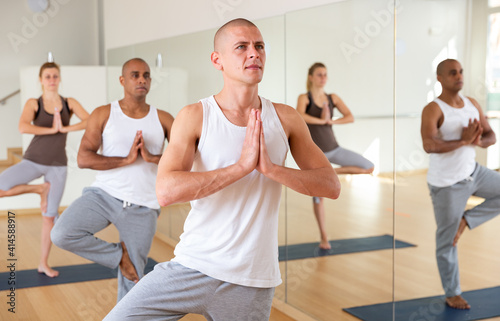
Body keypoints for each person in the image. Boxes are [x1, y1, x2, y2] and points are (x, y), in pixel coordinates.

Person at [104, 18, 340, 320]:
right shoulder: (195, 116)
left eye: (259, 46)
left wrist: (272, 169)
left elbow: (330, 185)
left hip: (252, 281)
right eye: (241, 47)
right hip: (192, 267)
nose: (253, 54)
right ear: (218, 60)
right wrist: (241, 167)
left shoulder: (286, 118)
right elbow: (165, 191)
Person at [50, 58, 174, 301]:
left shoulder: (163, 119)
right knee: (61, 233)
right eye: (135, 75)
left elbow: (187, 159)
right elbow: (84, 158)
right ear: (122, 80)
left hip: (143, 205)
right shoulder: (104, 114)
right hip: (104, 196)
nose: (142, 80)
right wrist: (126, 160)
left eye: (146, 75)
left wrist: (153, 157)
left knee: (133, 282)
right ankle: (119, 256)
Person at [421, 58, 500, 310]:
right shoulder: (433, 109)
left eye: (461, 71)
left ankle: (466, 220)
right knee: (447, 241)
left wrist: (476, 140)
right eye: (453, 73)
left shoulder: (472, 104)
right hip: (446, 184)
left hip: (473, 172)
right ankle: (452, 292)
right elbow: (429, 145)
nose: (459, 76)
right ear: (440, 78)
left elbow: (491, 135)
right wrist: (463, 142)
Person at [0, 62, 89, 277]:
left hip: (58, 165)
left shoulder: (69, 103)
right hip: (34, 160)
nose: (52, 80)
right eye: (47, 76)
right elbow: (23, 126)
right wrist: (52, 130)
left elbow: (90, 120)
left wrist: (66, 128)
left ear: (59, 79)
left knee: (49, 216)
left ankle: (43, 263)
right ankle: (39, 190)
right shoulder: (34, 103)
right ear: (41, 80)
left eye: (55, 76)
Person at [296, 62, 374, 250]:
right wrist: (322, 120)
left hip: (334, 148)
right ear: (311, 77)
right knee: (318, 198)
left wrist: (331, 121)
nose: (323, 78)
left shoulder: (332, 98)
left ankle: (331, 173)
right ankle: (324, 239)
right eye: (319, 74)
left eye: (325, 75)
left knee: (368, 166)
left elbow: (350, 117)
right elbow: (299, 116)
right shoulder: (304, 98)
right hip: (315, 154)